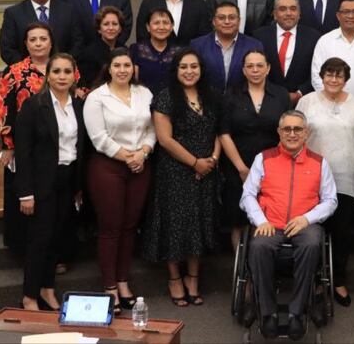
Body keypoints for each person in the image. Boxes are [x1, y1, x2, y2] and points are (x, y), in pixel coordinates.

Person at [240, 110, 338, 341]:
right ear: (279, 132)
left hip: (305, 224)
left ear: (306, 133)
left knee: (313, 244)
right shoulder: (263, 158)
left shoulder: (319, 162)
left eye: (297, 129)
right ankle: (267, 314)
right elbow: (247, 195)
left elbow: (331, 200)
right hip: (270, 223)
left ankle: (297, 312)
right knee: (259, 246)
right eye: (287, 129)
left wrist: (307, 218)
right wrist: (260, 221)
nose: (292, 134)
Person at [141, 48, 222, 307]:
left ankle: (193, 278)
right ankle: (175, 278)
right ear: (176, 71)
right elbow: (164, 139)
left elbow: (220, 131)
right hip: (175, 170)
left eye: (194, 66)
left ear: (201, 69)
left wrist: (212, 161)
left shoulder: (211, 96)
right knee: (175, 225)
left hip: (206, 170)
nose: (189, 71)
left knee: (197, 224)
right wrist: (195, 163)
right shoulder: (165, 97)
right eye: (183, 67)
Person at [83, 48, 154, 313]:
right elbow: (98, 138)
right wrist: (129, 157)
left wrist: (143, 153)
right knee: (111, 227)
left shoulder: (144, 93)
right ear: (109, 69)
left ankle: (124, 282)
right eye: (117, 65)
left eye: (127, 65)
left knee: (129, 225)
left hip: (140, 166)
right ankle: (109, 287)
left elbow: (152, 129)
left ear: (133, 69)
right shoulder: (96, 97)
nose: (122, 70)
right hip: (108, 167)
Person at [14, 52, 86, 311]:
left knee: (57, 236)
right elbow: (23, 153)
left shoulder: (79, 105)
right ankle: (29, 296)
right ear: (48, 75)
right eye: (56, 71)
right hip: (41, 182)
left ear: (74, 75)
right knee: (39, 240)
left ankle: (47, 288)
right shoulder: (34, 106)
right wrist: (25, 193)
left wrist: (79, 188)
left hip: (67, 180)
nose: (62, 76)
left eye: (67, 71)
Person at [297, 57, 354, 307]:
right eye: (329, 74)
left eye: (339, 75)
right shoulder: (307, 101)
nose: (333, 79)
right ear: (322, 76)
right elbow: (296, 136)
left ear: (346, 79)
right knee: (314, 232)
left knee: (341, 233)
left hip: (346, 176)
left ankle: (338, 281)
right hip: (312, 178)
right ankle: (315, 281)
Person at [0, 22, 55, 254]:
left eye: (43, 39)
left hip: (57, 144)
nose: (38, 43)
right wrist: (8, 145)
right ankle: (21, 249)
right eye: (33, 40)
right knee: (23, 196)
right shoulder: (14, 72)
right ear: (26, 44)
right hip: (24, 145)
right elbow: (3, 109)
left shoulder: (63, 67)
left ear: (51, 42)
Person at [219, 49, 288, 248]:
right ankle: (242, 274)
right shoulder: (231, 94)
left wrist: (269, 167)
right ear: (243, 70)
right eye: (250, 66)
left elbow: (286, 132)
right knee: (238, 221)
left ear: (268, 69)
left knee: (268, 217)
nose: (255, 70)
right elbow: (224, 133)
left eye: (259, 65)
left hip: (272, 167)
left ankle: (262, 268)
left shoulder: (281, 95)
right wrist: (241, 168)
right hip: (237, 167)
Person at [0, 0, 82, 65]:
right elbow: (7, 50)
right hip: (27, 74)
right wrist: (31, 68)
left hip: (62, 72)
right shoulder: (13, 13)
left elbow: (78, 43)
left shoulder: (68, 10)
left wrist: (62, 64)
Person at [253, 0, 321, 106]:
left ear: (299, 14)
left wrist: (300, 93)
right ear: (275, 14)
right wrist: (272, 93)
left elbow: (318, 70)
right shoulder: (259, 36)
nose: (288, 13)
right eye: (282, 9)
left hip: (304, 101)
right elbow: (256, 68)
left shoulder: (314, 37)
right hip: (266, 100)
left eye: (293, 9)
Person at [190, 1, 265, 91]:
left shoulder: (254, 45)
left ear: (239, 21)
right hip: (207, 101)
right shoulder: (197, 45)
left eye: (232, 17)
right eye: (221, 18)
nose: (227, 21)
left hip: (243, 101)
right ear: (214, 21)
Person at [130, 8, 181, 96]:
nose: (161, 27)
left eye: (165, 23)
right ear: (148, 27)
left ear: (172, 26)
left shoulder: (180, 52)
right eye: (156, 23)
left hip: (173, 104)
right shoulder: (136, 49)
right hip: (143, 103)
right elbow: (133, 83)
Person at [77, 6, 124, 91]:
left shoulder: (124, 50)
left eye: (115, 24)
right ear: (99, 29)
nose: (111, 28)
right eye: (106, 24)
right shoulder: (88, 54)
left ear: (120, 28)